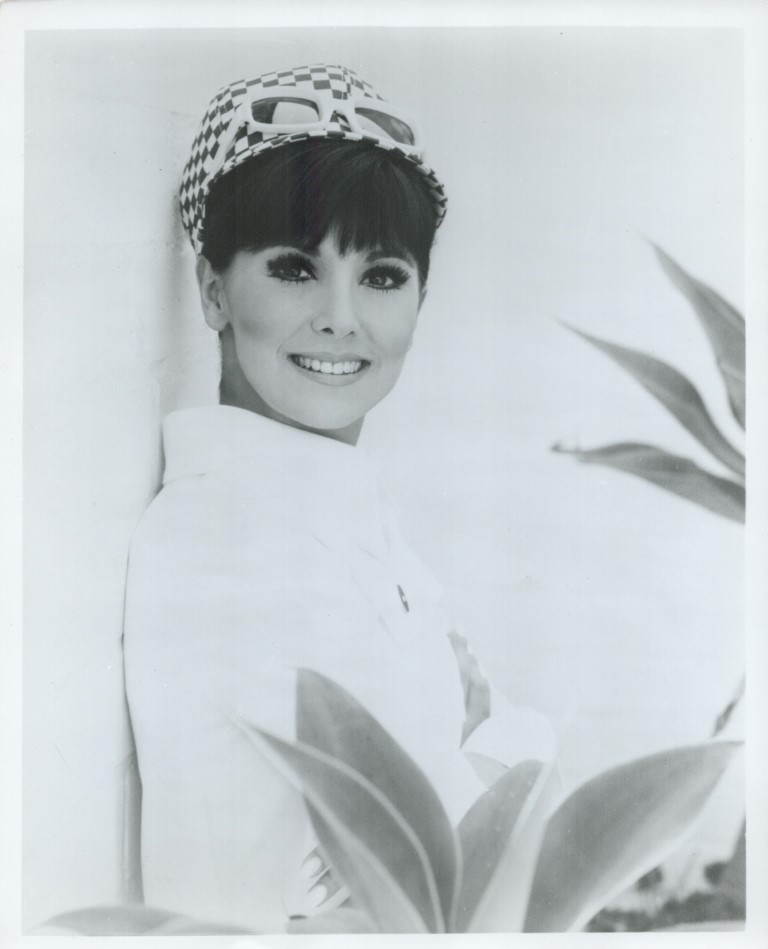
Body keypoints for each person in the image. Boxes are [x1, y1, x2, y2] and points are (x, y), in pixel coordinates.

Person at [123, 63, 556, 933]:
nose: (341, 317)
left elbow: (426, 836)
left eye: (382, 276)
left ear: (421, 299)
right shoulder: (228, 538)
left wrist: (484, 754)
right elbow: (416, 868)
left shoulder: (337, 510)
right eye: (294, 267)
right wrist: (508, 744)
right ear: (213, 289)